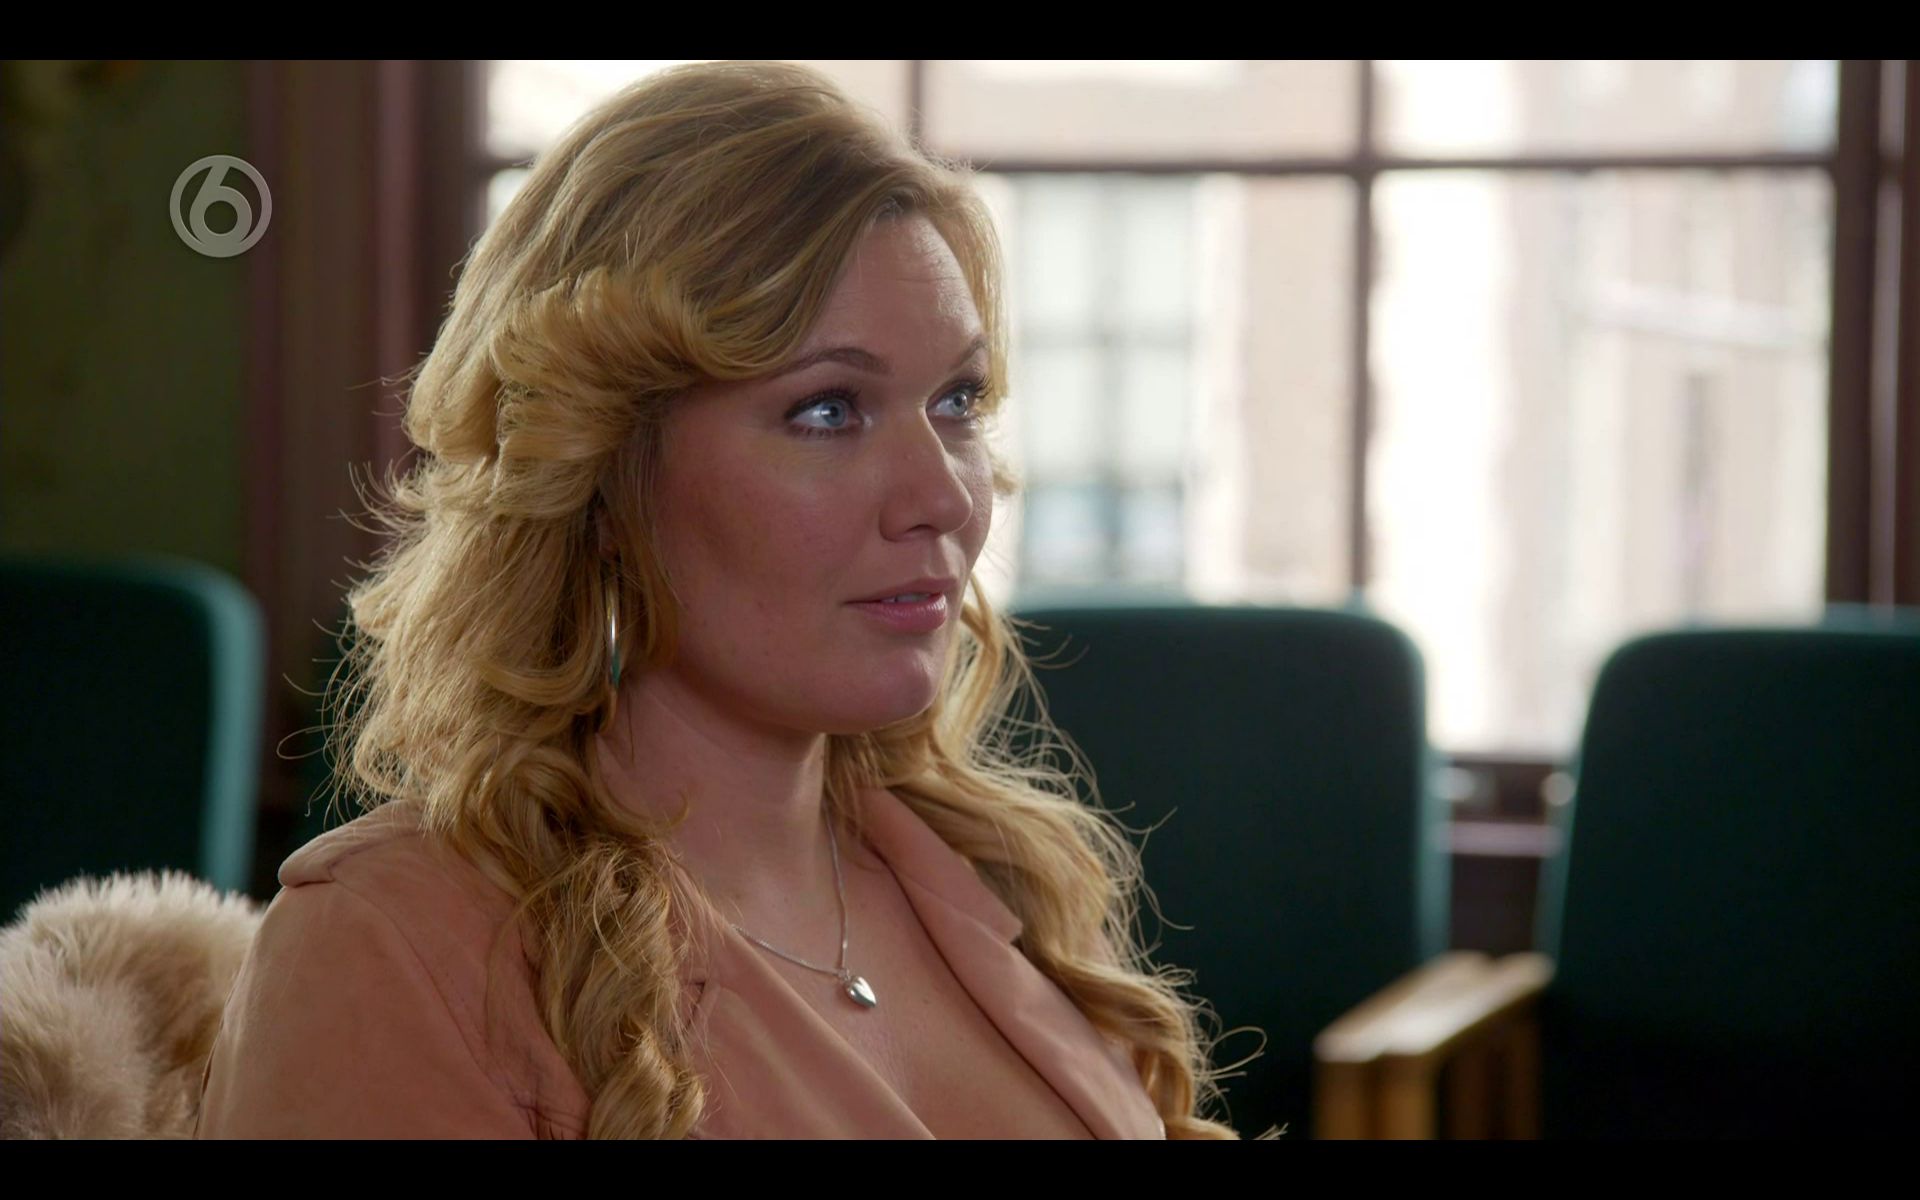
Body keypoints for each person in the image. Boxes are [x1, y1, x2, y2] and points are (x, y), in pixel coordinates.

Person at [195, 60, 1239, 1140]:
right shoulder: (396, 942)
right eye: (828, 410)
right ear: (603, 475)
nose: (943, 497)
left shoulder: (994, 875)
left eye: (957, 401)